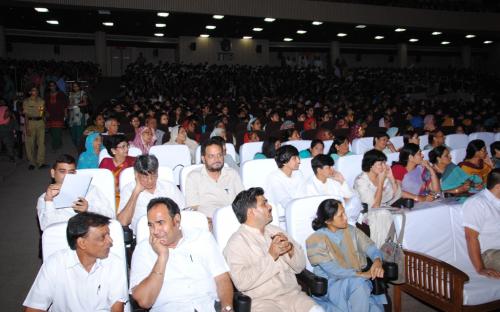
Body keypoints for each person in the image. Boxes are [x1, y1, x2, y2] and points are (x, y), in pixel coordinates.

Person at [224, 188, 323, 312]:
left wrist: (291, 251)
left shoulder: (277, 231)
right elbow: (241, 282)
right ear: (251, 212)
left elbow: (300, 266)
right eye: (264, 203)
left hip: (294, 297)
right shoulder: (236, 243)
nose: (269, 206)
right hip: (262, 303)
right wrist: (271, 256)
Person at [130, 197, 234, 311]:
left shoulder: (202, 238)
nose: (155, 231)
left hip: (208, 307)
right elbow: (144, 301)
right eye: (151, 225)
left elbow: (222, 278)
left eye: (160, 223)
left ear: (176, 220)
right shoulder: (143, 249)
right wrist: (162, 257)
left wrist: (227, 307)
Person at [23, 212, 128, 311]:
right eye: (102, 237)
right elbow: (34, 308)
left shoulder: (114, 263)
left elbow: (117, 308)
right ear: (82, 243)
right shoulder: (55, 264)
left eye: (108, 235)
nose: (110, 241)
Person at [306, 199, 386, 312]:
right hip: (333, 285)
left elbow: (370, 247)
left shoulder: (351, 230)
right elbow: (333, 271)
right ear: (328, 221)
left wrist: (377, 261)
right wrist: (362, 275)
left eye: (344, 212)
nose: (346, 218)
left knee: (365, 294)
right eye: (341, 215)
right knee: (359, 285)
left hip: (358, 283)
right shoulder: (315, 239)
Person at [36, 154, 114, 231]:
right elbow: (46, 228)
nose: (66, 176)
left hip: (89, 236)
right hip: (60, 238)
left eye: (71, 172)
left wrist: (88, 209)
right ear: (53, 173)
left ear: (75, 174)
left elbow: (110, 215)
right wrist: (49, 201)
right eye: (62, 171)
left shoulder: (90, 189)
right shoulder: (45, 199)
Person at [117, 155, 185, 234]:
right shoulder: (128, 190)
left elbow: (183, 213)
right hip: (143, 236)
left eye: (154, 175)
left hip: (170, 234)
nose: (150, 180)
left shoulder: (169, 187)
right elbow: (123, 222)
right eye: (145, 176)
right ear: (136, 174)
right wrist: (136, 192)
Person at [185, 138, 244, 218]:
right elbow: (193, 208)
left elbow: (244, 202)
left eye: (219, 155)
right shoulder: (193, 177)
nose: (217, 159)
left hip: (233, 219)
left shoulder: (232, 174)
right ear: (203, 159)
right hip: (207, 222)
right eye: (211, 156)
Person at [353, 149, 401, 247]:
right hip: (366, 212)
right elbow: (374, 206)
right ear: (371, 165)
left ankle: (393, 249)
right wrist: (380, 182)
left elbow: (397, 196)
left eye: (384, 163)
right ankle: (383, 250)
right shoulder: (361, 180)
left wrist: (391, 177)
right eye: (380, 164)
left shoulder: (383, 176)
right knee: (383, 214)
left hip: (383, 209)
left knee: (399, 214)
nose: (384, 166)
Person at [463, 169, 500, 279]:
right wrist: (480, 268)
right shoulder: (477, 203)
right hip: (491, 253)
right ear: (498, 187)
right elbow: (471, 238)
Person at [303, 154, 361, 224]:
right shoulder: (309, 186)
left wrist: (342, 181)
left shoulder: (332, 180)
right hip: (324, 218)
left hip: (339, 213)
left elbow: (348, 197)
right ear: (319, 170)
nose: (332, 169)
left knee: (355, 199)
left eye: (332, 166)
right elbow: (317, 209)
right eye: (329, 167)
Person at [100, 134, 136, 208]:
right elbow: (100, 183)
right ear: (113, 150)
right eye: (123, 147)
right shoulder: (105, 162)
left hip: (127, 198)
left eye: (127, 145)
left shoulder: (133, 161)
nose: (127, 149)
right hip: (108, 197)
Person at [265, 145, 304, 209]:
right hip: (280, 215)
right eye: (294, 158)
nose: (298, 161)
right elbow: (285, 201)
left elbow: (303, 194)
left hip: (298, 209)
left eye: (298, 157)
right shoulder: (273, 177)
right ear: (284, 162)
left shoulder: (298, 173)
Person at [23, 86, 47, 170]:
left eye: (36, 90)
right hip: (30, 123)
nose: (35, 92)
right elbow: (26, 116)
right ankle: (32, 163)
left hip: (40, 122)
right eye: (33, 90)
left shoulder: (41, 101)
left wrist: (44, 121)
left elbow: (41, 113)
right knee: (30, 144)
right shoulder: (26, 101)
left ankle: (41, 162)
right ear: (30, 92)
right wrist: (27, 128)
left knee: (41, 143)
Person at [44, 81, 68, 151]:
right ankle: (59, 142)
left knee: (57, 131)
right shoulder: (47, 95)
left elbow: (65, 105)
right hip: (50, 116)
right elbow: (44, 105)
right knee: (52, 131)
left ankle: (55, 146)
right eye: (51, 86)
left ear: (56, 86)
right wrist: (45, 112)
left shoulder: (61, 94)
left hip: (59, 115)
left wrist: (66, 114)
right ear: (49, 87)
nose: (52, 87)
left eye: (53, 85)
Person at [68, 82, 88, 147]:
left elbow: (85, 103)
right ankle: (76, 143)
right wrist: (70, 106)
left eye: (76, 86)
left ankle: (80, 145)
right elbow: (70, 103)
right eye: (74, 86)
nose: (75, 88)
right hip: (72, 114)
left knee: (80, 130)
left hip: (80, 114)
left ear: (79, 86)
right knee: (73, 131)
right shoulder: (71, 93)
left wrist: (76, 104)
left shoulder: (82, 93)